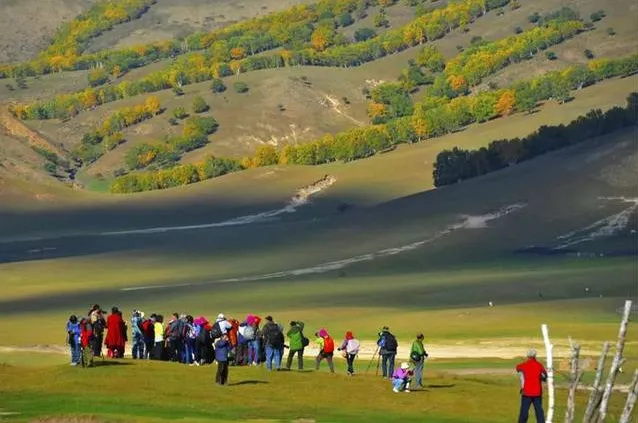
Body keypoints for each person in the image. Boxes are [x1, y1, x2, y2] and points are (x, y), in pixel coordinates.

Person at [516, 349, 548, 423]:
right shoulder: (539, 365)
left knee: (524, 412)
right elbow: (545, 376)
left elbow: (517, 368)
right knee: (539, 412)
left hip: (526, 392)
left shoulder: (524, 365)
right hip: (537, 393)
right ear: (535, 356)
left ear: (528, 356)